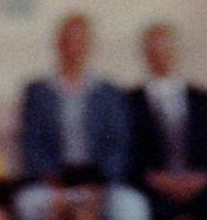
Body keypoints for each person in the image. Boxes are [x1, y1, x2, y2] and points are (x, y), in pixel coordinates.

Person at [16, 13, 150, 220]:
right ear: (59, 43)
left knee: (132, 206)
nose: (74, 47)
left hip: (100, 185)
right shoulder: (37, 92)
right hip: (54, 185)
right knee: (27, 204)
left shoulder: (108, 93)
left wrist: (99, 185)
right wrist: (55, 184)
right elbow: (31, 144)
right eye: (68, 40)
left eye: (80, 40)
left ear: (89, 45)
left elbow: (119, 144)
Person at [128, 23, 207, 219]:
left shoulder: (201, 98)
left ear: (178, 50)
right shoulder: (131, 101)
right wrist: (158, 180)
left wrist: (201, 178)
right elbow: (131, 154)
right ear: (145, 53)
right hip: (154, 188)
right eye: (154, 48)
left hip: (199, 186)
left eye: (167, 46)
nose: (161, 54)